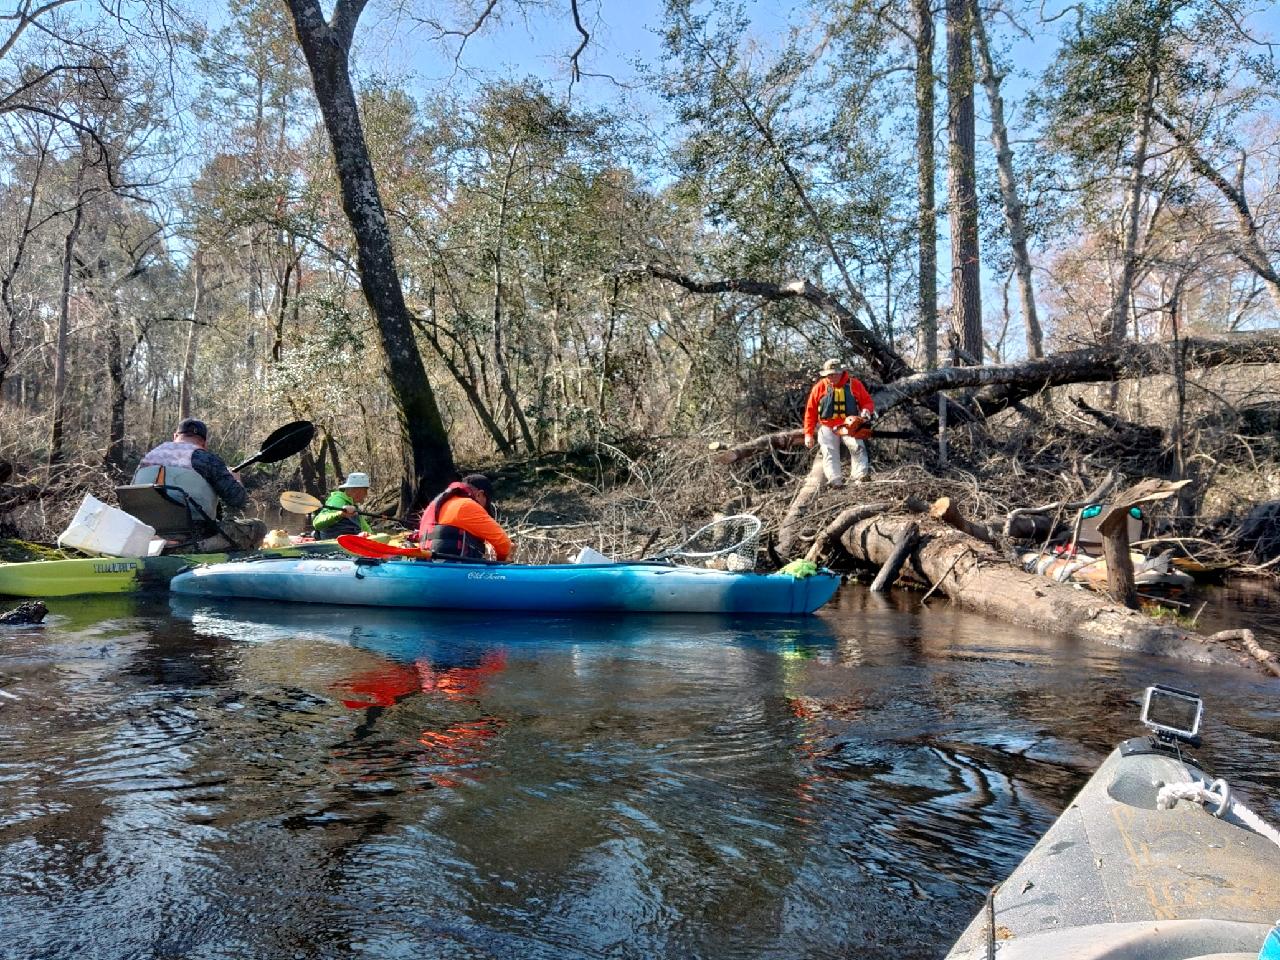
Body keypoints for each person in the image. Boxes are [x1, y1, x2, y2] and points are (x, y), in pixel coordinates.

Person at [133, 418, 267, 550]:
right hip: (194, 538)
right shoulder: (206, 459)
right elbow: (238, 500)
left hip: (146, 535)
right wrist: (236, 480)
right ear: (204, 443)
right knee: (258, 527)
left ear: (175, 436)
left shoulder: (147, 458)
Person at [803, 358, 875, 486]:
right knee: (829, 451)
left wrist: (866, 411)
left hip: (849, 425)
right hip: (827, 426)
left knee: (858, 447)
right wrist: (808, 434)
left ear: (841, 373)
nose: (832, 377)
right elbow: (811, 412)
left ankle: (860, 478)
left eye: (835, 374)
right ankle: (835, 481)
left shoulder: (854, 384)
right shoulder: (819, 387)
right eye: (829, 374)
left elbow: (867, 402)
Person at [416, 473, 512, 561]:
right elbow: (504, 544)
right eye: (486, 504)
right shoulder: (467, 505)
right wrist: (501, 562)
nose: (484, 510)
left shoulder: (433, 506)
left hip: (426, 565)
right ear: (479, 494)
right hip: (455, 569)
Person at [312, 472, 374, 538]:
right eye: (365, 491)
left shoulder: (353, 506)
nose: (366, 495)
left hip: (348, 542)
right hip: (331, 542)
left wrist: (372, 536)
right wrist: (340, 514)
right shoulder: (337, 501)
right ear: (358, 491)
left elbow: (365, 527)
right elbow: (317, 524)